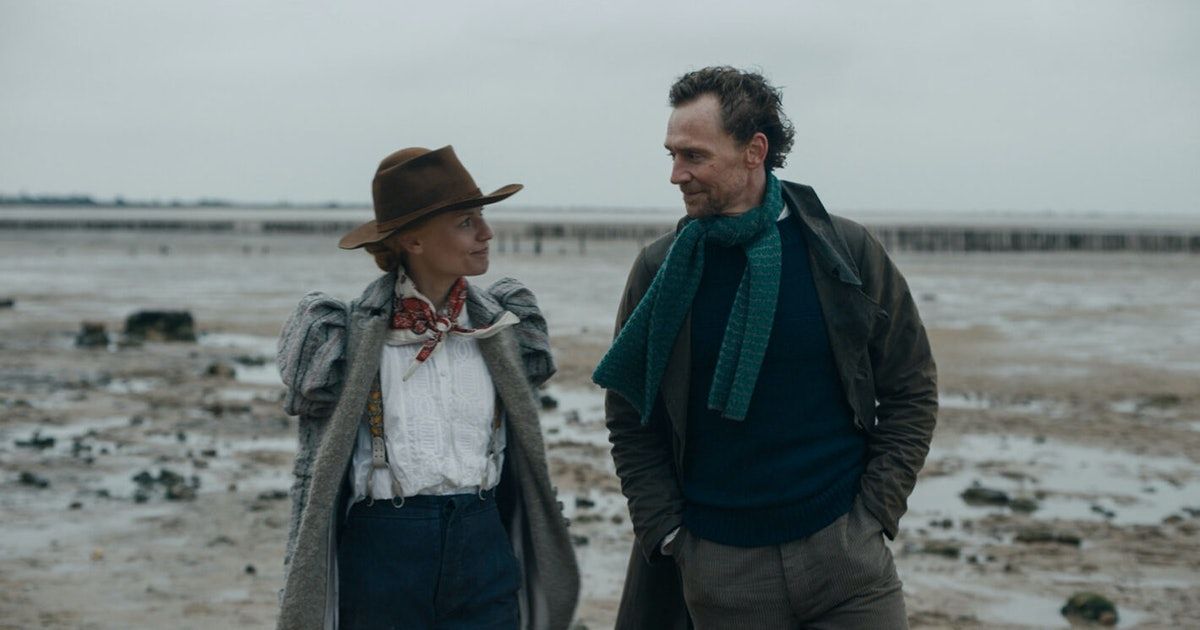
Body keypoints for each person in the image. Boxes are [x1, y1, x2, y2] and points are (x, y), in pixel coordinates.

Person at [593, 67, 937, 629]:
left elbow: (911, 385)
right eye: (671, 154)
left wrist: (876, 511)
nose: (676, 174)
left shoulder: (842, 252)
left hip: (847, 562)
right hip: (722, 573)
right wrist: (670, 534)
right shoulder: (660, 270)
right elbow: (631, 416)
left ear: (755, 150)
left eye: (694, 156)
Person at [275, 145, 579, 630]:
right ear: (412, 241)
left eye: (481, 216)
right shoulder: (348, 337)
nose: (487, 232)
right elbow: (315, 473)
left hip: (485, 544)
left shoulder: (500, 330)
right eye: (465, 222)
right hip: (383, 554)